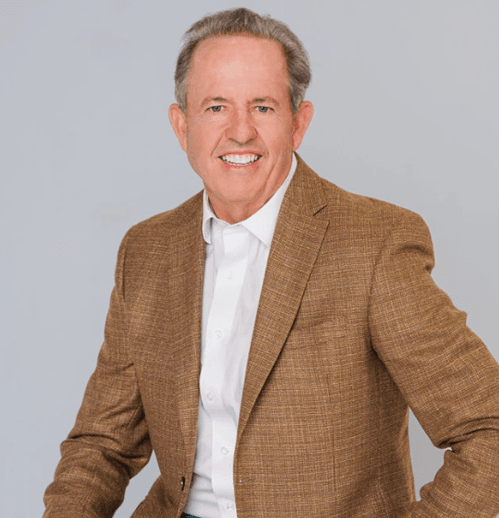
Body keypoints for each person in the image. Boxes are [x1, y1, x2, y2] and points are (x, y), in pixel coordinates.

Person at [43, 7, 499, 518]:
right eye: (216, 107)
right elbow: (101, 445)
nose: (240, 132)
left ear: (298, 124)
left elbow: (490, 429)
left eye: (262, 107)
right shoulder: (147, 252)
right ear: (182, 125)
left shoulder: (373, 245)